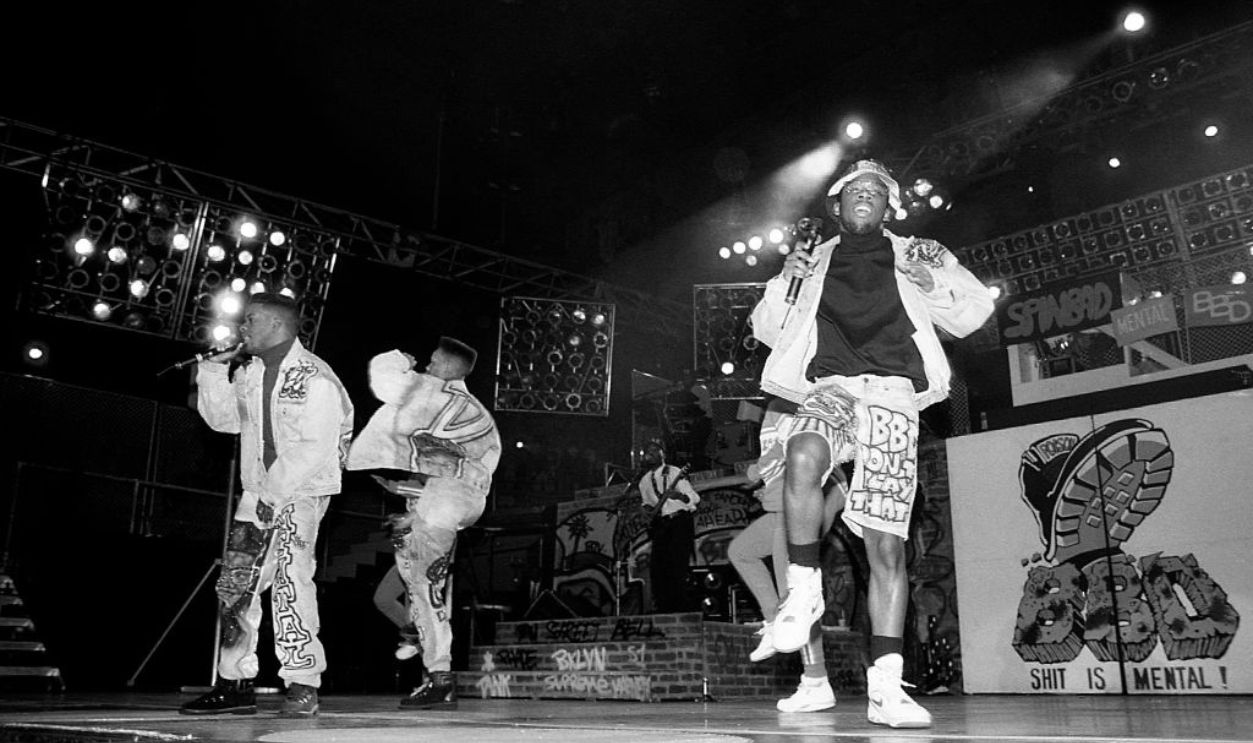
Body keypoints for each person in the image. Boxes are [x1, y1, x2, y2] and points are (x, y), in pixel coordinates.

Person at [750, 159, 993, 729]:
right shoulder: (813, 262)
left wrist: (927, 277)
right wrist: (788, 276)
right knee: (803, 451)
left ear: (889, 207)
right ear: (836, 207)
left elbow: (973, 311)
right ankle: (804, 593)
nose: (864, 196)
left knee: (885, 548)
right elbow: (766, 329)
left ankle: (886, 685)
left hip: (891, 397)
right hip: (833, 388)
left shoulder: (921, 252)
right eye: (853, 191)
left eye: (875, 192)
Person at [181, 293, 354, 718]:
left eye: (250, 320)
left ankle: (302, 683)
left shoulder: (316, 378)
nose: (242, 329)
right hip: (257, 492)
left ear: (277, 324)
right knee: (237, 584)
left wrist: (273, 498)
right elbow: (223, 421)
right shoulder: (251, 374)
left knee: (293, 580)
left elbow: (315, 448)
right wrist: (212, 370)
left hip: (302, 491)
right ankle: (234, 682)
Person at [347, 337, 501, 710]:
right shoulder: (478, 410)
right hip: (467, 500)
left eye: (433, 361)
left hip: (446, 497)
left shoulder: (432, 389)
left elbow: (383, 378)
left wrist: (398, 357)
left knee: (422, 584)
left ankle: (439, 676)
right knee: (421, 577)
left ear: (448, 367)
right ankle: (430, 658)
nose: (427, 367)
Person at [726, 397, 846, 713]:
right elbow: (778, 455)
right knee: (741, 551)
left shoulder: (797, 396)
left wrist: (758, 469)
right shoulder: (774, 405)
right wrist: (768, 478)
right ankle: (772, 621)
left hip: (797, 506)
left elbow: (793, 447)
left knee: (795, 595)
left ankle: (816, 680)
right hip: (780, 504)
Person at [633, 440, 700, 613]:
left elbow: (693, 498)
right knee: (658, 568)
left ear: (663, 454)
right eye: (649, 451)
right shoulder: (644, 481)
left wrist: (678, 495)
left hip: (679, 522)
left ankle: (681, 609)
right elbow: (647, 504)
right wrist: (645, 512)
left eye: (656, 450)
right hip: (660, 524)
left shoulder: (675, 472)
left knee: (677, 566)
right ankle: (663, 608)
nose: (652, 453)